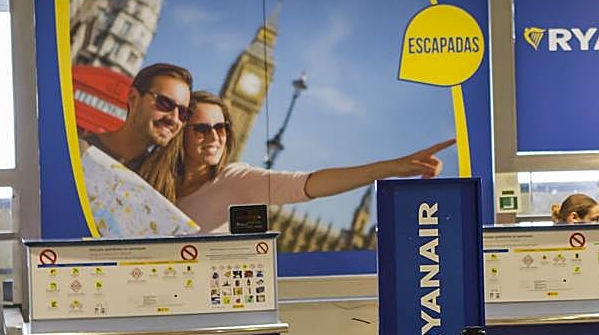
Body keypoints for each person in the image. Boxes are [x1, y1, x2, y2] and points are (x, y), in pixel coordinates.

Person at [139, 91, 457, 233]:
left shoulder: (234, 179)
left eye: (222, 127)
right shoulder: (148, 182)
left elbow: (309, 184)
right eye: (203, 129)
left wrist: (389, 168)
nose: (215, 137)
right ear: (181, 132)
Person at [82, 62, 194, 171]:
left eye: (183, 112)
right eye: (165, 103)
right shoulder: (77, 151)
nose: (174, 118)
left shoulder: (159, 180)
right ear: (133, 98)